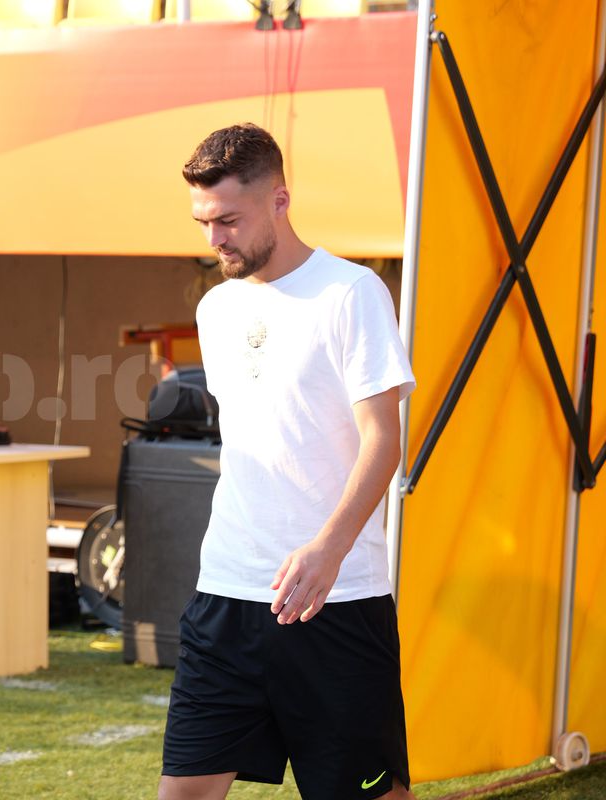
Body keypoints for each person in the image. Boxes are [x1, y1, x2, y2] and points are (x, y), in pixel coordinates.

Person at [159, 124, 416, 800]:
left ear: (279, 199)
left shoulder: (351, 293)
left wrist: (328, 549)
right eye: (203, 222)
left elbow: (383, 441)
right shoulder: (215, 308)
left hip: (337, 602)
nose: (215, 238)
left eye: (228, 220)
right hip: (226, 594)